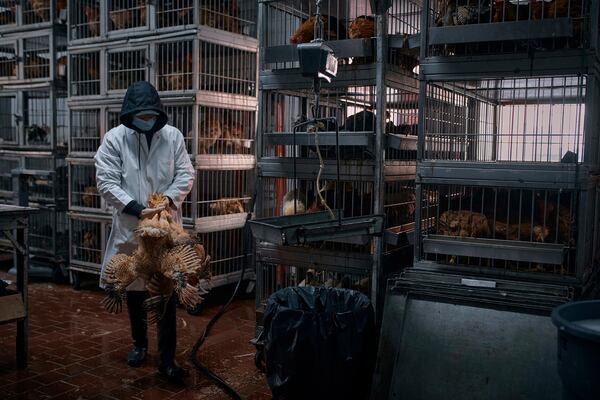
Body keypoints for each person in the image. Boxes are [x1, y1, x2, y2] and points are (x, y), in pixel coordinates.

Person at [94, 81, 196, 382]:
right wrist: (138, 208)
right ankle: (139, 344)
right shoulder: (114, 139)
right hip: (131, 225)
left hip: (164, 227)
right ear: (130, 114)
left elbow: (185, 174)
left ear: (158, 114)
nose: (146, 119)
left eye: (151, 115)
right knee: (134, 287)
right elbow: (106, 182)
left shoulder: (172, 136)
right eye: (140, 115)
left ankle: (167, 359)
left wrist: (166, 201)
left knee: (165, 289)